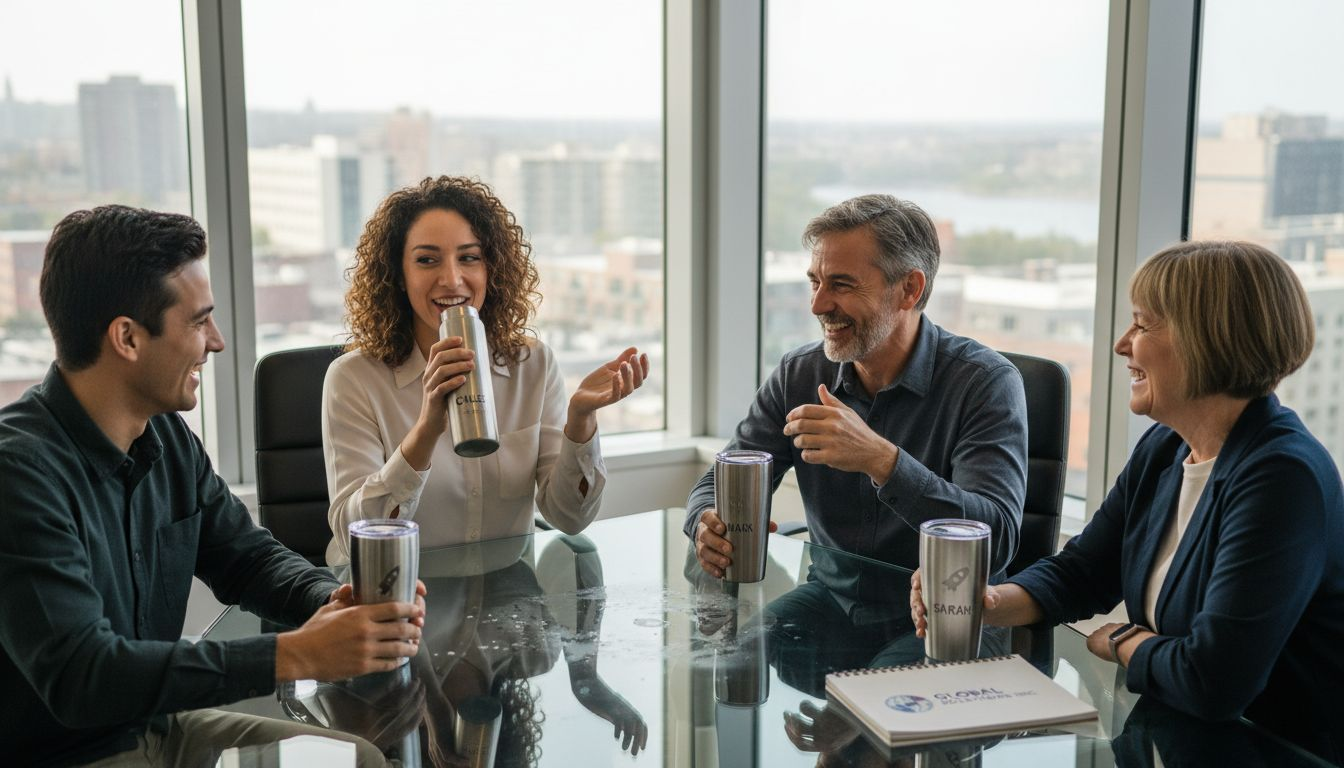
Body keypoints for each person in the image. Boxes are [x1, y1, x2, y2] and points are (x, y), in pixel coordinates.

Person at [0, 206, 426, 767]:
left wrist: (331, 602)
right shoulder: (19, 474)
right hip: (67, 754)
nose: (217, 342)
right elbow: (84, 677)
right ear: (127, 338)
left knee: (361, 759)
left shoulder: (165, 436)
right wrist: (294, 655)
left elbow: (247, 559)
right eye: (199, 322)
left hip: (160, 723)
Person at [911, 241, 1344, 763]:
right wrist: (988, 603)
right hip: (1177, 740)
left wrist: (1122, 643)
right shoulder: (1166, 447)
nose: (1122, 345)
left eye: (1141, 325)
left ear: (1206, 339)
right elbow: (1084, 571)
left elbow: (1213, 682)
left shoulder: (1282, 477)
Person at [686, 194, 1027, 658]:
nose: (818, 305)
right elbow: (716, 481)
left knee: (879, 697)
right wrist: (704, 522)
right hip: (831, 603)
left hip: (943, 616)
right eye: (815, 282)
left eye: (841, 285)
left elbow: (997, 536)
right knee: (728, 660)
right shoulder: (799, 374)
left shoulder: (985, 383)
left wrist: (882, 461)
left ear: (909, 289)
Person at [324, 175, 649, 564]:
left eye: (469, 258)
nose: (452, 280)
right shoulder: (353, 379)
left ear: (491, 268)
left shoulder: (533, 365)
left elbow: (570, 517)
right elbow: (354, 536)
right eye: (427, 260)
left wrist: (580, 421)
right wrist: (425, 431)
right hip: (393, 591)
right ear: (398, 274)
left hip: (508, 594)